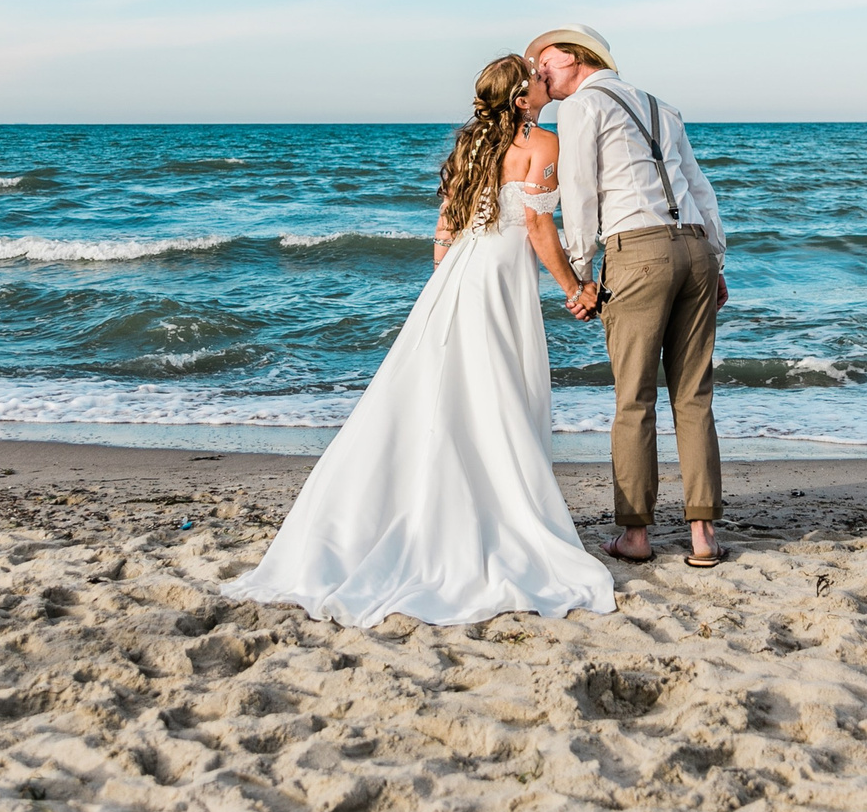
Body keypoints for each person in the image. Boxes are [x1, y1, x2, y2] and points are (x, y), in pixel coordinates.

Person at [221, 55, 615, 627]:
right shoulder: (543, 143)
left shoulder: (470, 145)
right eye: (534, 77)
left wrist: (441, 279)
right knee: (495, 389)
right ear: (520, 99)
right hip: (500, 278)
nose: (542, 80)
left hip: (458, 274)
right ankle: (494, 508)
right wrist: (574, 286)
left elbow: (447, 221)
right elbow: (536, 226)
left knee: (448, 388)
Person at [527, 25, 729, 570]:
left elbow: (579, 189)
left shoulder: (581, 107)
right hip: (695, 247)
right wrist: (717, 258)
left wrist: (579, 273)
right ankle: (703, 534)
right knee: (694, 394)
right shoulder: (662, 105)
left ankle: (636, 535)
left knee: (634, 398)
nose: (539, 72)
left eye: (546, 61)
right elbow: (699, 185)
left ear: (576, 58)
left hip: (636, 250)